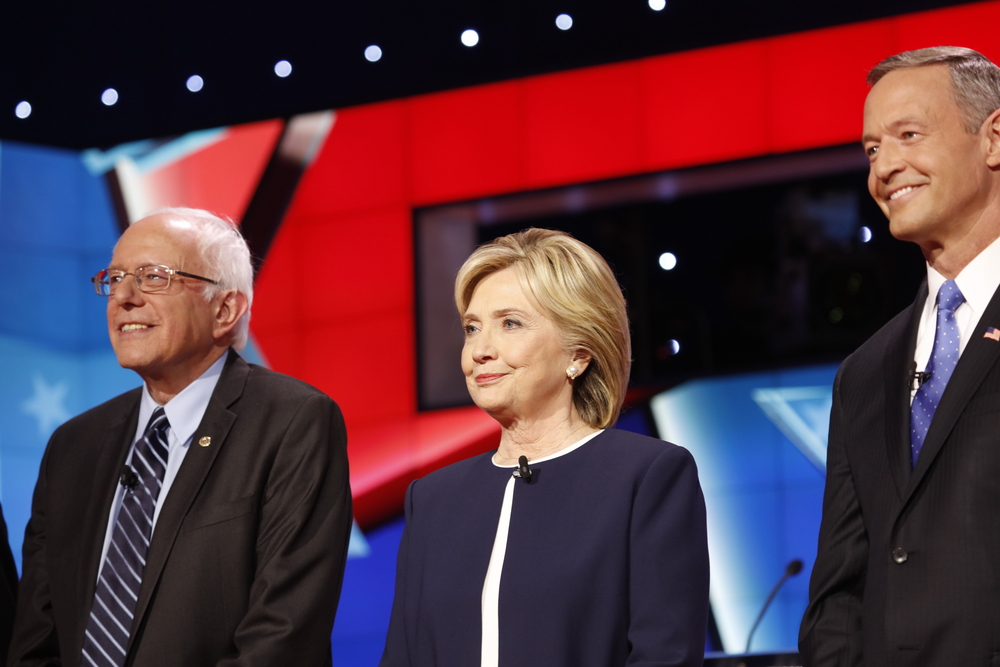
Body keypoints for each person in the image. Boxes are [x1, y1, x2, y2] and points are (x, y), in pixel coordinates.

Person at [9, 208, 352, 667]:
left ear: (225, 309)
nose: (124, 297)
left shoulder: (293, 422)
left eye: (153, 277)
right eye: (115, 278)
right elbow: (36, 640)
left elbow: (281, 637)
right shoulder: (73, 447)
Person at [380, 228, 709, 667]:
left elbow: (663, 656)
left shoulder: (646, 477)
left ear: (578, 353)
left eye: (510, 323)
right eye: (471, 328)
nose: (480, 349)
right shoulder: (433, 499)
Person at [800, 47, 1000, 665]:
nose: (885, 167)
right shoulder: (863, 372)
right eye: (871, 150)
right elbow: (839, 591)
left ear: (994, 139)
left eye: (908, 135)